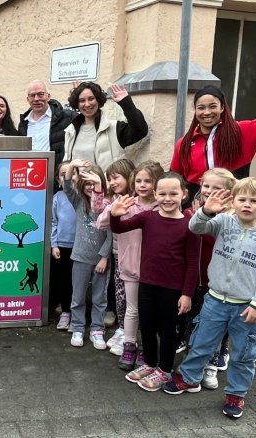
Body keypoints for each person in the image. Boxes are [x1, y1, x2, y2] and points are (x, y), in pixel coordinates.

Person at [163, 178, 256, 419]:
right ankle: (189, 377)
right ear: (233, 202)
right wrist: (206, 211)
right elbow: (195, 227)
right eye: (242, 199)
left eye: (253, 201)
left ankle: (236, 393)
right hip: (215, 300)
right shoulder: (223, 222)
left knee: (245, 354)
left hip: (247, 308)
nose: (247, 205)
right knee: (201, 342)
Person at [110, 172, 199, 392]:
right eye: (162, 193)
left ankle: (165, 369)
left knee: (168, 331)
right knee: (147, 327)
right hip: (147, 284)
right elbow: (119, 228)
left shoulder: (190, 225)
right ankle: (150, 363)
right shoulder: (148, 218)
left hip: (173, 289)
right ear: (155, 194)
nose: (167, 198)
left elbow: (193, 263)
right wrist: (114, 215)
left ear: (184, 194)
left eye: (173, 193)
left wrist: (187, 293)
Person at [171, 52, 256, 202]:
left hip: (234, 210)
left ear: (223, 108)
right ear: (195, 110)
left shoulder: (243, 131)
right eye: (201, 108)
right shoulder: (184, 144)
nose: (206, 112)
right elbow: (175, 179)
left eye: (213, 106)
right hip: (197, 212)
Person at [93, 160, 162, 369]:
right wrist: (113, 210)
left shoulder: (162, 206)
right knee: (132, 310)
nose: (142, 185)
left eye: (148, 181)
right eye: (138, 180)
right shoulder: (128, 203)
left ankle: (146, 349)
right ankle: (129, 346)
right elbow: (101, 223)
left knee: (150, 312)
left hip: (155, 270)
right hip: (130, 266)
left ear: (157, 182)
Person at [183, 168, 237, 390]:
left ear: (229, 191)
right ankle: (194, 360)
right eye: (206, 186)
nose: (210, 191)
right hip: (194, 278)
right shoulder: (193, 212)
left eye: (217, 188)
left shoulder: (232, 216)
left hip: (219, 282)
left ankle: (214, 360)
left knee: (218, 324)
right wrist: (200, 213)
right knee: (196, 322)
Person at [63, 159, 112, 350]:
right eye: (87, 183)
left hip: (100, 261)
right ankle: (77, 327)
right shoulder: (78, 202)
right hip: (80, 258)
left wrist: (104, 257)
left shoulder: (107, 205)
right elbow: (67, 186)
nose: (91, 187)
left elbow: (111, 234)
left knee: (100, 298)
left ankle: (97, 329)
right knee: (78, 295)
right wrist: (72, 165)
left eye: (95, 183)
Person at [88, 158, 136, 354]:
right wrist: (99, 188)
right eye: (110, 179)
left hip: (135, 256)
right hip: (118, 254)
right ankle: (123, 329)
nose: (113, 182)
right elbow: (98, 209)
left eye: (116, 177)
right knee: (120, 294)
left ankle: (129, 334)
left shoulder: (137, 199)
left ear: (128, 176)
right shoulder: (113, 199)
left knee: (131, 297)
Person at [64, 83, 148, 169]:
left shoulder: (114, 128)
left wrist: (126, 103)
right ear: (77, 104)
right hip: (76, 182)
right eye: (82, 100)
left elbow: (140, 130)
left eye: (91, 99)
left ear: (98, 100)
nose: (87, 104)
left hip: (104, 182)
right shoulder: (71, 131)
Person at [51, 161, 77, 330]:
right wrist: (54, 244)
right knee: (64, 281)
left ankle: (77, 314)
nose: (68, 177)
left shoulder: (83, 197)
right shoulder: (57, 198)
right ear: (57, 178)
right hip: (63, 246)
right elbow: (53, 222)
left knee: (79, 282)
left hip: (80, 247)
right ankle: (66, 312)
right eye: (63, 174)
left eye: (72, 172)